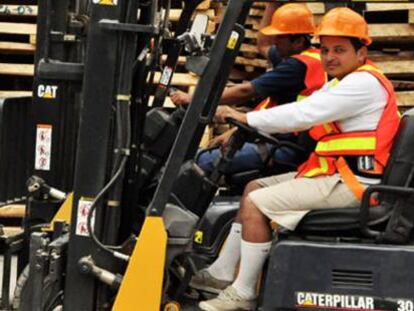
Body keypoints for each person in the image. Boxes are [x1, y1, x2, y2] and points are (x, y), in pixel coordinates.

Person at [195, 7, 400, 311]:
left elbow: (303, 114)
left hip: (352, 185)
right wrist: (250, 121)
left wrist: (246, 118)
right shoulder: (341, 81)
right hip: (336, 175)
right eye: (326, 49)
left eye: (340, 50)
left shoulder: (363, 83)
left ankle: (244, 292)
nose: (329, 56)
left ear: (361, 53)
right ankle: (223, 272)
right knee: (253, 187)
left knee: (255, 203)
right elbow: (305, 113)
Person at [171, 4, 326, 175]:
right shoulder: (303, 57)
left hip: (286, 146)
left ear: (297, 41)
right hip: (277, 135)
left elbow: (245, 91)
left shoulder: (297, 66)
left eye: (280, 37)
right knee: (207, 154)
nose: (275, 41)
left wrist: (195, 100)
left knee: (203, 162)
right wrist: (271, 4)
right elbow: (264, 44)